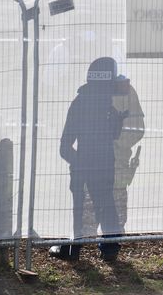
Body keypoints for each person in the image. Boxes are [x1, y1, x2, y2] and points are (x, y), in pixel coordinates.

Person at [49, 57, 129, 261]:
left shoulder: (82, 103)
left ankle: (74, 249)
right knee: (105, 204)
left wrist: (78, 163)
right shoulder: (106, 106)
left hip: (84, 166)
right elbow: (111, 135)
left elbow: (65, 145)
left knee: (84, 208)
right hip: (102, 165)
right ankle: (109, 249)